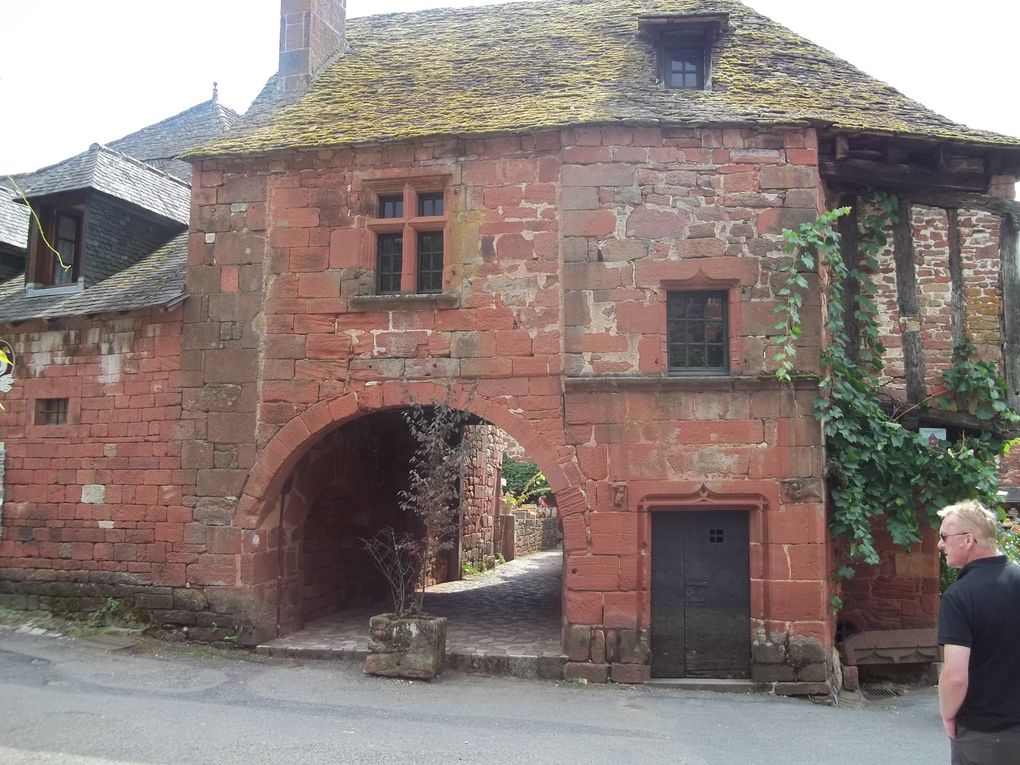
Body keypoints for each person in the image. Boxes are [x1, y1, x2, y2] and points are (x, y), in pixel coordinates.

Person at [937, 499, 1020, 764]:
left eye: (944, 536)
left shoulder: (959, 597)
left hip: (985, 735)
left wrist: (948, 715)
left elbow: (955, 677)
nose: (940, 544)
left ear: (968, 540)